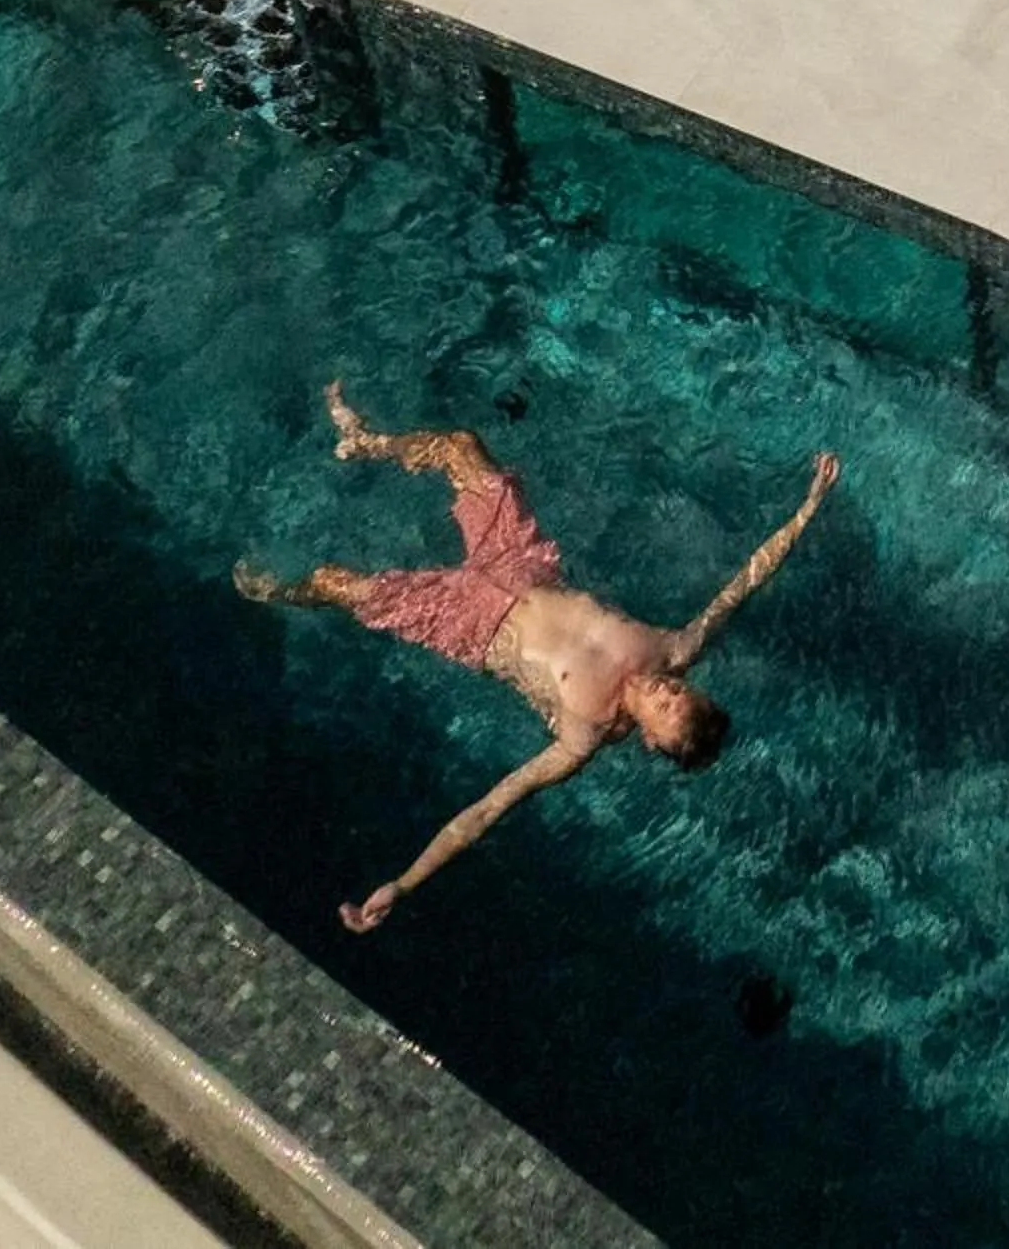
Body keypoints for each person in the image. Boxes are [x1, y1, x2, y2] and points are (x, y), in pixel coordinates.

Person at [235, 383, 839, 934]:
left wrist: (402, 883)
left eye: (668, 711)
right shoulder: (675, 648)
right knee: (461, 447)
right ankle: (364, 442)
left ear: (652, 741)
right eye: (681, 694)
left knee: (333, 582)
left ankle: (282, 593)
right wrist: (807, 509)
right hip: (519, 562)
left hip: (469, 621)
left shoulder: (580, 735)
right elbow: (745, 584)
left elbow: (486, 811)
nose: (668, 693)